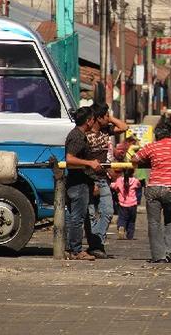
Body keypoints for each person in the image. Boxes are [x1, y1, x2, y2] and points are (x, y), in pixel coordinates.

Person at [132, 119, 171, 263]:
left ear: (157, 135)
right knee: (170, 220)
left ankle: (158, 256)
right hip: (170, 189)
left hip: (153, 188)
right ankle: (169, 251)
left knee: (154, 223)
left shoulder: (152, 147)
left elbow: (134, 159)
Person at [85, 103, 128, 258]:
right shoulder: (86, 134)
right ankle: (94, 245)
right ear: (97, 118)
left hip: (103, 178)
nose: (109, 119)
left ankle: (96, 243)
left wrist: (109, 118)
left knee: (108, 211)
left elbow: (124, 127)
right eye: (106, 116)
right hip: (89, 178)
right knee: (89, 214)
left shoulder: (106, 130)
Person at [64, 107, 102, 261]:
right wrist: (90, 163)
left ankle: (70, 248)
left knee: (74, 216)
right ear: (88, 121)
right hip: (78, 183)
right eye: (93, 119)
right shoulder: (77, 137)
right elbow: (69, 159)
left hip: (80, 181)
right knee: (77, 218)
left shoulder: (80, 135)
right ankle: (76, 250)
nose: (94, 122)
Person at [111, 168, 141, 240]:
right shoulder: (135, 181)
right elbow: (139, 185)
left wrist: (112, 184)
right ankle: (130, 235)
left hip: (122, 204)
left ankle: (121, 226)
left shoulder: (119, 180)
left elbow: (113, 186)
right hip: (133, 204)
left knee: (122, 218)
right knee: (131, 220)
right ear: (133, 172)